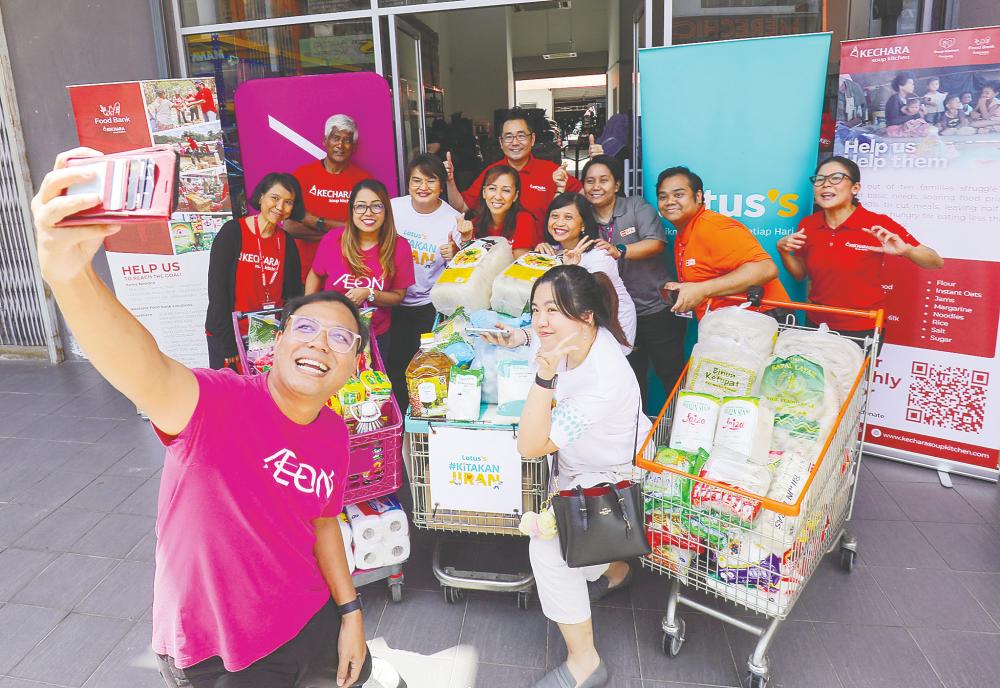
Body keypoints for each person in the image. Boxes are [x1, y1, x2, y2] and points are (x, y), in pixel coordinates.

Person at [30, 148, 406, 688]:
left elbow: (324, 523)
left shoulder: (333, 432)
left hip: (310, 618)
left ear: (354, 365)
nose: (321, 342)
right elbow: (146, 370)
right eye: (305, 328)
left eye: (341, 338)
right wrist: (70, 278)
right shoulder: (218, 402)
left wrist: (351, 614)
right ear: (275, 344)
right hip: (219, 651)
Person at [484, 265, 646, 688]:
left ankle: (585, 663)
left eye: (552, 310)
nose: (540, 321)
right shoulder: (572, 334)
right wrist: (517, 337)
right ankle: (616, 572)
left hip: (610, 478)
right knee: (576, 554)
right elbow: (534, 337)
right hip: (585, 459)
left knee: (550, 552)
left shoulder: (604, 379)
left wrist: (543, 376)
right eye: (536, 309)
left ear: (586, 314)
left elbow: (530, 445)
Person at [777, 156, 943, 339]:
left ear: (855, 188)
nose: (825, 184)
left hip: (862, 326)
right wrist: (783, 251)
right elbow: (800, 274)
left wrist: (907, 251)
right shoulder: (808, 224)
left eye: (836, 178)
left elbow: (936, 262)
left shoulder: (876, 223)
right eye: (820, 179)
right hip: (817, 323)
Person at [579, 155, 687, 401]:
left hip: (655, 309)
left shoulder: (636, 206)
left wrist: (621, 250)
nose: (596, 187)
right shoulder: (584, 219)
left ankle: (681, 433)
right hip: (616, 317)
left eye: (604, 180)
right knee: (630, 381)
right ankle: (638, 436)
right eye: (590, 181)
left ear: (617, 184)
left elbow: (656, 242)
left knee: (671, 375)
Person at [656, 166, 790, 321]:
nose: (670, 201)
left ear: (698, 196)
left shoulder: (713, 226)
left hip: (761, 318)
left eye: (678, 194)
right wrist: (686, 289)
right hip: (729, 323)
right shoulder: (685, 231)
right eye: (663, 197)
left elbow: (765, 269)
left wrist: (701, 289)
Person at [305, 179, 414, 360]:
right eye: (361, 206)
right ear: (352, 210)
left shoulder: (400, 247)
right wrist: (310, 308)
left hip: (375, 336)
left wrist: (369, 293)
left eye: (376, 206)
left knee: (371, 386)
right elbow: (315, 274)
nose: (368, 213)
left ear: (386, 210)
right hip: (332, 331)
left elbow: (398, 296)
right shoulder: (333, 239)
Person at [205, 173, 304, 370]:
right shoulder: (232, 233)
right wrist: (228, 345)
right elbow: (217, 292)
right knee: (229, 392)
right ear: (261, 197)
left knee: (261, 390)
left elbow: (293, 297)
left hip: (266, 332)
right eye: (274, 198)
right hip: (229, 333)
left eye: (288, 202)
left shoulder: (287, 242)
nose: (280, 207)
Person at [387, 153, 460, 409]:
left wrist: (455, 254)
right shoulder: (393, 208)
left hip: (427, 306)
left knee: (426, 367)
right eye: (416, 181)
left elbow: (461, 270)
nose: (422, 187)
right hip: (391, 301)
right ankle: (399, 419)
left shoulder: (452, 218)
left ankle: (422, 415)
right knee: (393, 365)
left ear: (441, 184)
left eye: (430, 180)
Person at [443, 109, 582, 236]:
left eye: (521, 136)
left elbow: (588, 197)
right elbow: (460, 207)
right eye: (508, 137)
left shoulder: (551, 171)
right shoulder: (492, 173)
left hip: (541, 251)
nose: (515, 142)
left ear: (532, 139)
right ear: (501, 142)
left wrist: (597, 163)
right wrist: (450, 180)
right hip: (499, 250)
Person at [535, 192, 636, 354]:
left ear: (583, 224)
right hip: (575, 329)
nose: (559, 223)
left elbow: (588, 300)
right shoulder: (553, 251)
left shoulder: (599, 255)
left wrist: (569, 269)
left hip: (610, 327)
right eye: (554, 216)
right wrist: (539, 259)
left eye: (568, 217)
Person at [286, 114, 373, 281]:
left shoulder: (364, 182)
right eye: (335, 138)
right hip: (305, 272)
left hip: (348, 276)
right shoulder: (302, 176)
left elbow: (364, 231)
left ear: (353, 146)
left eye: (347, 140)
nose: (340, 145)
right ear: (325, 141)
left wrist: (314, 221)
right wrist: (342, 233)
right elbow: (290, 228)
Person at [454, 164, 539, 259]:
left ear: (515, 196)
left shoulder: (524, 220)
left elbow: (518, 266)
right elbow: (468, 265)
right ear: (484, 192)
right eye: (492, 189)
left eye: (506, 190)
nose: (498, 196)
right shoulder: (473, 224)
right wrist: (466, 240)